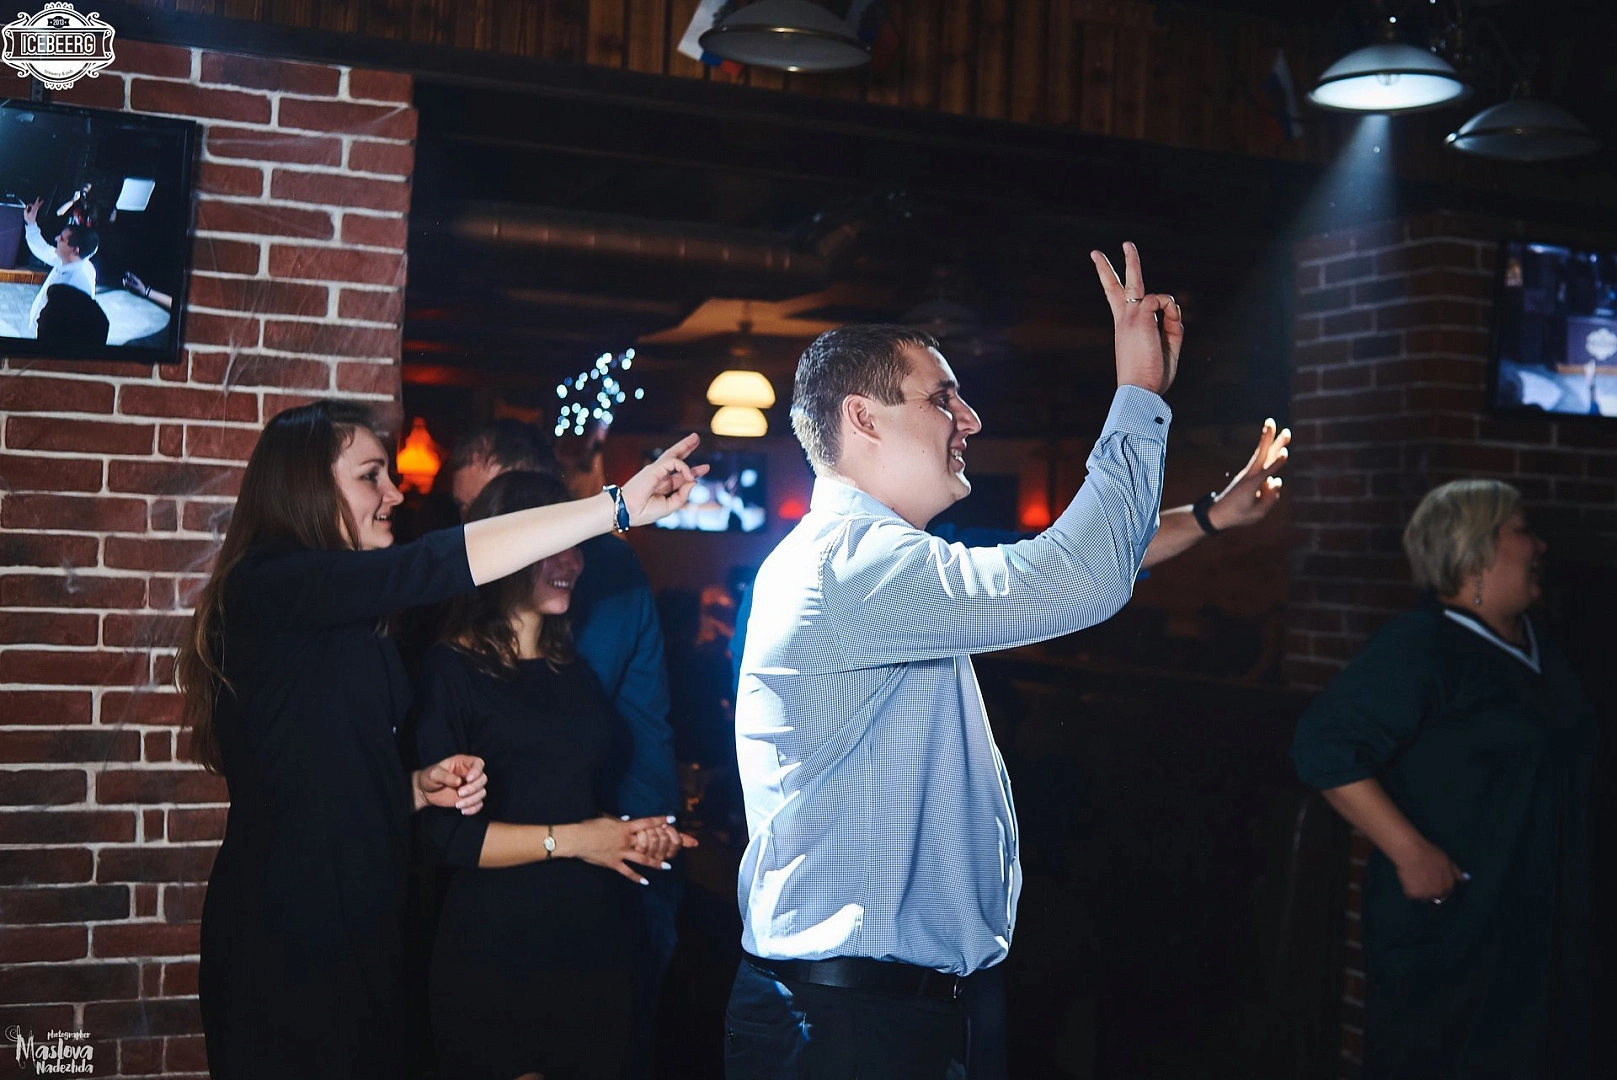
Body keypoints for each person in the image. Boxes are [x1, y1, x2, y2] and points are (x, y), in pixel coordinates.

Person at [725, 243, 1179, 1079]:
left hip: (886, 1008)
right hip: (852, 1024)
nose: (968, 420)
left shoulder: (865, 558)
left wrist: (1209, 519)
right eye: (942, 398)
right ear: (862, 418)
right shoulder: (856, 563)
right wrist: (1138, 395)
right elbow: (1076, 576)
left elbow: (1072, 563)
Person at [175, 400, 705, 1080]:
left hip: (360, 920)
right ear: (306, 486)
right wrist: (615, 507)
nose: (396, 494)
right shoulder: (269, 581)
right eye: (371, 475)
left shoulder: (338, 612)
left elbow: (307, 775)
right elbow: (436, 563)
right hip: (288, 930)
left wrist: (412, 789)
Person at [1292, 479, 1595, 1079]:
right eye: (1522, 531)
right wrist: (1409, 852)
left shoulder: (1543, 646)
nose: (1539, 546)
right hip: (1459, 932)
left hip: (1540, 919)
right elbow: (1323, 745)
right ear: (1476, 549)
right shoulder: (1423, 644)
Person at [414, 469, 697, 1080]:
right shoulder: (449, 671)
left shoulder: (575, 672)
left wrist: (632, 836)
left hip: (594, 940)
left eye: (577, 547)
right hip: (499, 945)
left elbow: (574, 795)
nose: (573, 561)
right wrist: (582, 840)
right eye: (554, 548)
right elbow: (447, 839)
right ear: (511, 550)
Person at [21, 197, 97, 338]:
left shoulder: (77, 282)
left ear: (75, 250)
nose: (56, 239)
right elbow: (42, 249)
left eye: (62, 238)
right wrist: (31, 222)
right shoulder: (66, 260)